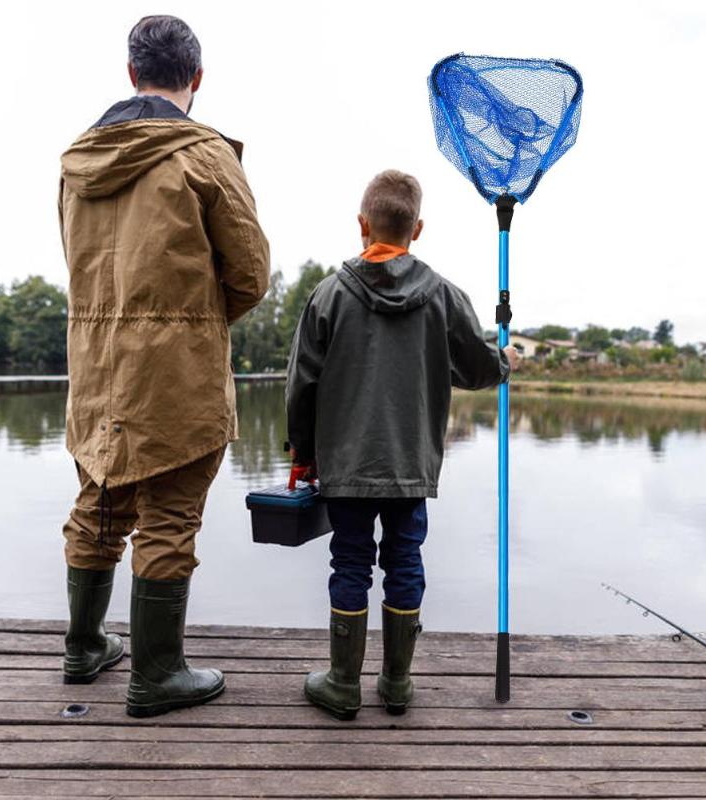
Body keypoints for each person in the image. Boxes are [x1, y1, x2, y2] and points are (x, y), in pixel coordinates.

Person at [58, 15, 269, 718]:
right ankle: (156, 675)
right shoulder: (205, 156)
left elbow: (80, 267)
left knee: (100, 501)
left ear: (131, 75)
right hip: (177, 372)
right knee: (170, 515)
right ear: (196, 79)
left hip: (96, 372)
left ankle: (84, 648)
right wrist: (194, 325)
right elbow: (251, 274)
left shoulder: (76, 164)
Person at [286, 169, 519, 719]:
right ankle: (396, 684)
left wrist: (303, 453)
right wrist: (505, 363)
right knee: (405, 559)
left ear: (362, 225)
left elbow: (301, 382)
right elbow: (479, 367)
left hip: (345, 466)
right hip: (411, 465)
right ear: (418, 229)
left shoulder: (328, 295)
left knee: (349, 562)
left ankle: (343, 684)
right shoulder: (443, 296)